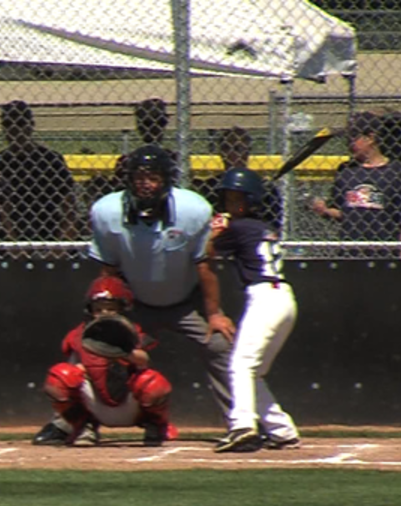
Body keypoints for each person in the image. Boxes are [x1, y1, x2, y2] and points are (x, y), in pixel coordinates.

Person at [87, 144, 297, 448]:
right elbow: (108, 269)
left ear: (167, 180)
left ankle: (242, 425)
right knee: (100, 346)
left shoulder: (193, 209)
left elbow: (205, 266)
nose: (146, 183)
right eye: (140, 177)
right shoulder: (107, 211)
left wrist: (214, 313)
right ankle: (79, 423)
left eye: (154, 177)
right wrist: (109, 313)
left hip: (187, 302)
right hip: (136, 304)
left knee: (221, 346)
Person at [208, 169, 300, 452]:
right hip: (282, 299)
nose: (229, 204)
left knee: (240, 364)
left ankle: (242, 426)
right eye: (227, 198)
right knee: (253, 371)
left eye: (236, 199)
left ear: (251, 202)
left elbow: (205, 252)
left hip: (265, 297)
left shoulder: (240, 228)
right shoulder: (261, 227)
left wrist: (214, 231)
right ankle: (281, 430)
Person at [32, 276, 175, 447]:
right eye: (99, 309)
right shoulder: (79, 335)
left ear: (122, 309)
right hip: (95, 403)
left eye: (111, 309)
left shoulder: (134, 332)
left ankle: (155, 425)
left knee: (151, 382)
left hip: (131, 404)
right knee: (61, 376)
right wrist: (81, 369)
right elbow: (71, 369)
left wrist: (121, 351)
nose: (104, 314)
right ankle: (82, 426)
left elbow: (144, 360)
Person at [309, 111, 401, 259]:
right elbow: (342, 213)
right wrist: (325, 210)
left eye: (353, 138)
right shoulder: (346, 170)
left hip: (384, 252)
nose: (348, 143)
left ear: (370, 138)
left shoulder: (395, 172)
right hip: (349, 252)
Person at [0, 100, 77, 240]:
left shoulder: (51, 160)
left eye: (20, 123)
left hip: (49, 229)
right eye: (8, 124)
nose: (14, 129)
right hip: (9, 231)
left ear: (31, 125)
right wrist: (13, 243)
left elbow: (69, 207)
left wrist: (59, 247)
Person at [196, 126, 283, 225]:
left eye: (238, 148)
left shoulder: (265, 188)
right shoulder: (210, 186)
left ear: (247, 152)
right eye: (226, 147)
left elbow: (274, 224)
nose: (230, 153)